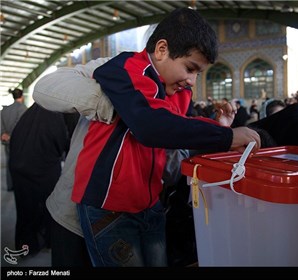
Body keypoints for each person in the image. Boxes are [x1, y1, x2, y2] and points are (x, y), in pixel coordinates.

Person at [34, 7, 260, 267]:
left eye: (198, 72)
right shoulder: (120, 69)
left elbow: (170, 134)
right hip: (101, 206)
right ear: (162, 50)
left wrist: (214, 129)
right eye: (190, 68)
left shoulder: (176, 90)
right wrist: (121, 108)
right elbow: (150, 125)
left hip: (146, 204)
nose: (192, 81)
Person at [8, 103, 70, 256]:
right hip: (42, 168)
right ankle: (45, 241)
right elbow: (62, 141)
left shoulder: (29, 115)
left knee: (25, 208)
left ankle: (26, 245)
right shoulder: (54, 114)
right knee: (48, 205)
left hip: (18, 168)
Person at [1, 88, 27, 191]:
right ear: (22, 96)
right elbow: (19, 124)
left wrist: (3, 134)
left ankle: (10, 185)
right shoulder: (23, 108)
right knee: (20, 163)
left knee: (9, 162)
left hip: (6, 140)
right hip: (18, 141)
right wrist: (11, 135)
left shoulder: (4, 110)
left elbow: (0, 123)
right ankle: (18, 185)